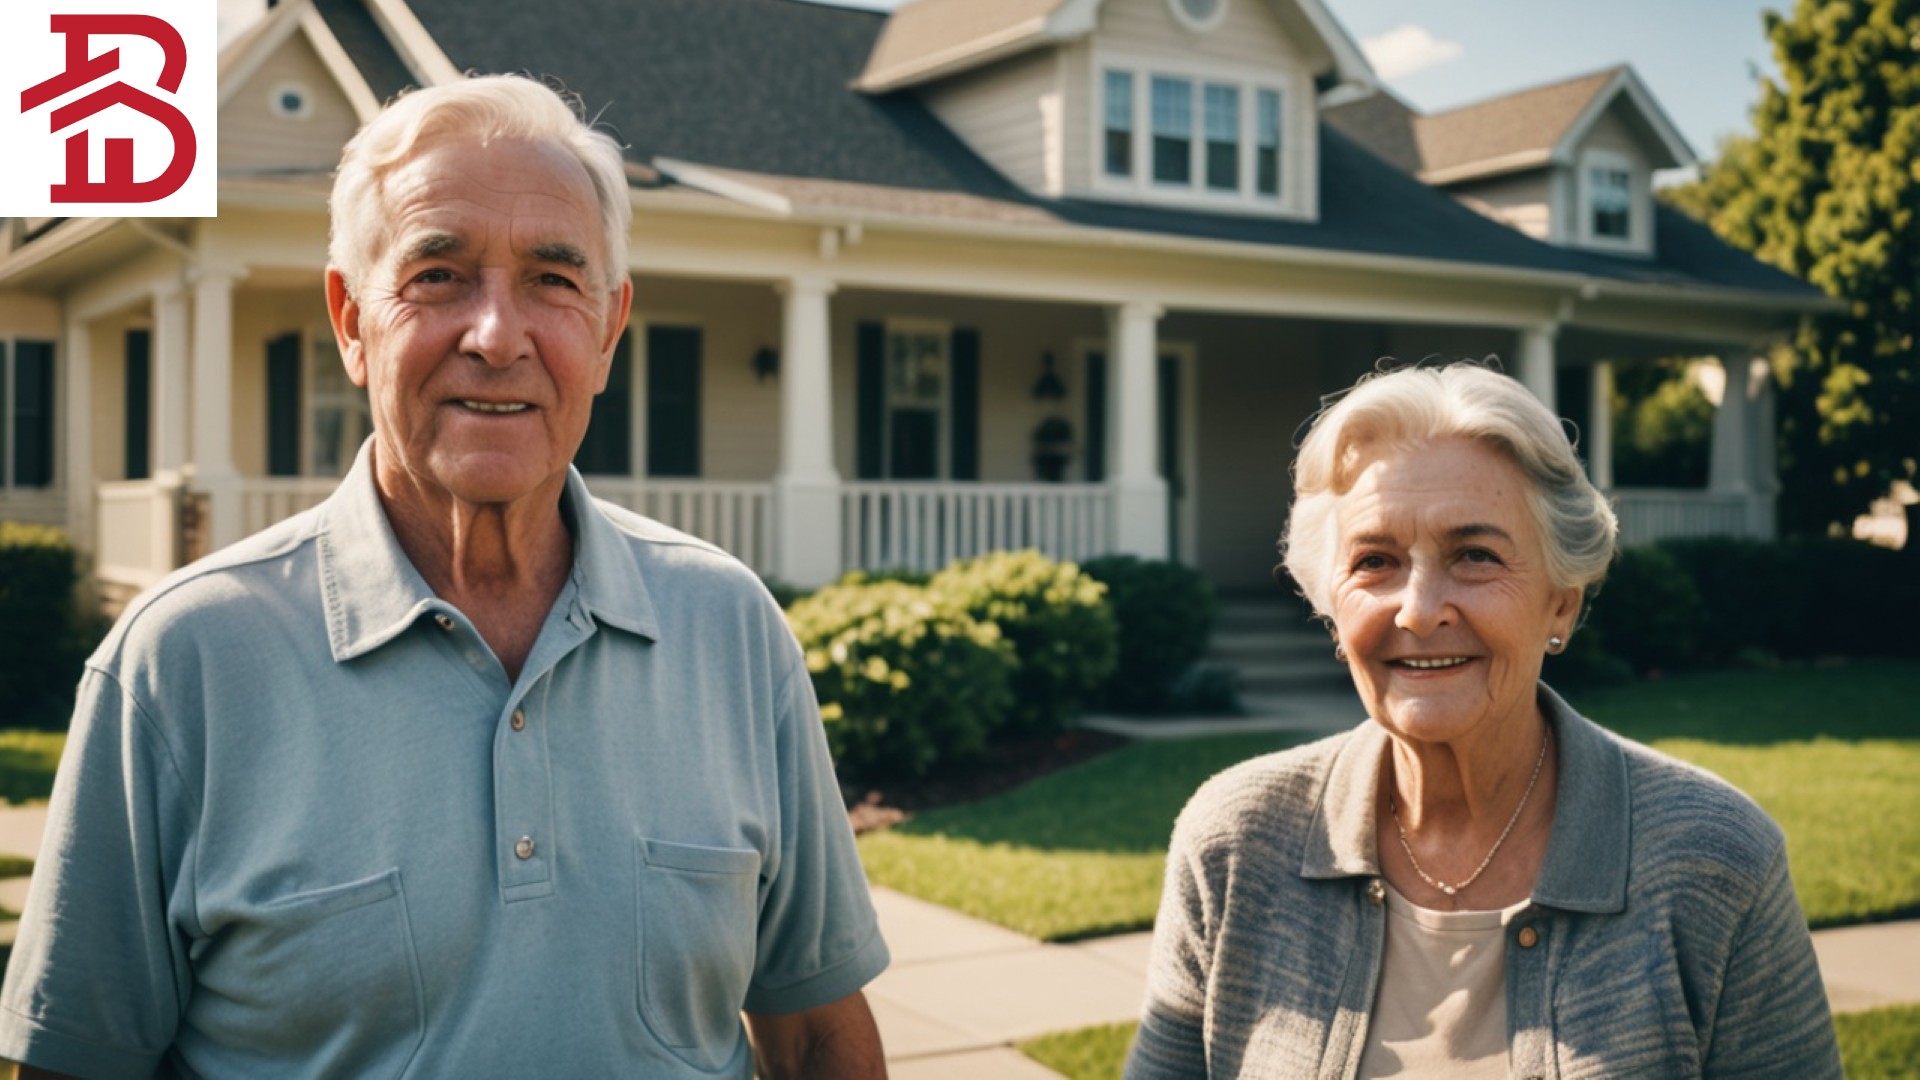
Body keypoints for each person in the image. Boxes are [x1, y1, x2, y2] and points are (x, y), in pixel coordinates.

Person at [0, 76, 888, 1079]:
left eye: (554, 280)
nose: (498, 335)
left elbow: (815, 1033)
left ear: (608, 331)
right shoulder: (178, 666)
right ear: (350, 320)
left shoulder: (732, 629)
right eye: (439, 275)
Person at [1125, 362, 1840, 1078]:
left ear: (1561, 600)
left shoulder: (1717, 861)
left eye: (1474, 555)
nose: (1418, 608)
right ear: (1331, 608)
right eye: (1375, 560)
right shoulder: (1234, 843)